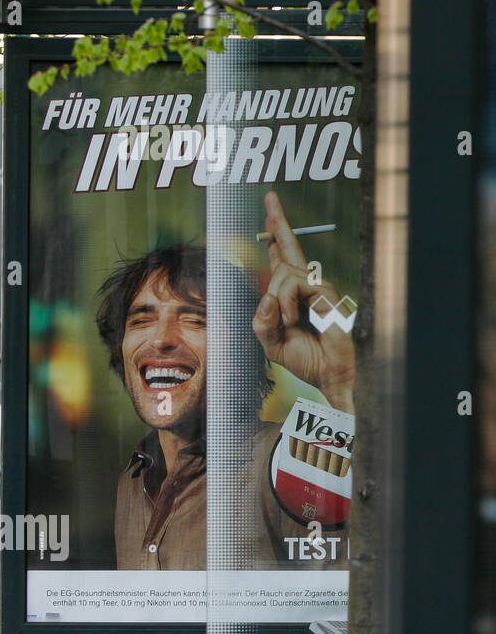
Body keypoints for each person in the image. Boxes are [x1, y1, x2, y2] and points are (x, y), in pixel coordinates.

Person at [95, 190, 355, 570]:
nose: (161, 338)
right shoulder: (134, 478)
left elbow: (387, 568)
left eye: (195, 319)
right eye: (142, 319)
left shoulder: (293, 460)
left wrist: (343, 382)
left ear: (240, 354)